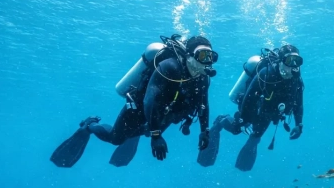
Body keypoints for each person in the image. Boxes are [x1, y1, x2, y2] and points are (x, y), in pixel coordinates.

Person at [50, 35, 217, 168]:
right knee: (115, 139)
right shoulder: (169, 67)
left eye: (211, 57)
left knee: (145, 131)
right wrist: (156, 135)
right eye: (202, 55)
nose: (206, 62)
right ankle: (89, 126)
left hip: (166, 112)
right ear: (189, 55)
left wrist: (205, 131)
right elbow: (149, 101)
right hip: (139, 107)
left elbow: (204, 104)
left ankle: (142, 131)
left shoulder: (202, 78)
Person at [197, 44, 304, 171]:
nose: (293, 66)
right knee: (236, 129)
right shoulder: (267, 73)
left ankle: (240, 169)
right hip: (252, 109)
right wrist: (243, 119)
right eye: (289, 60)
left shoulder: (296, 81)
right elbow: (249, 97)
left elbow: (299, 103)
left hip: (269, 115)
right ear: (281, 61)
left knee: (254, 139)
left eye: (296, 61)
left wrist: (299, 124)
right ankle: (222, 121)